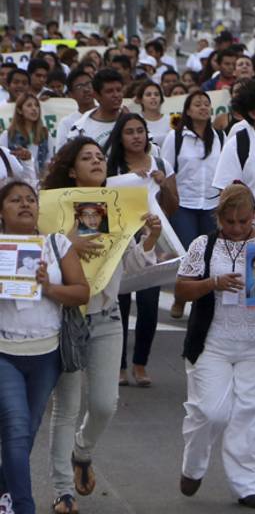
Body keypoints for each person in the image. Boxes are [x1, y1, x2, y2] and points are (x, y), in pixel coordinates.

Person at [42, 138, 162, 514]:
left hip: (108, 317)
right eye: (87, 158)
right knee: (66, 406)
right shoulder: (51, 210)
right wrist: (66, 244)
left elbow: (138, 267)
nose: (96, 161)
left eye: (100, 157)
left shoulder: (118, 207)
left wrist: (151, 238)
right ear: (72, 170)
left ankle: (83, 451)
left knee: (104, 404)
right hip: (66, 318)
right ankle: (62, 489)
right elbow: (33, 258)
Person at [175, 184, 255, 509]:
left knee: (249, 410)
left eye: (243, 221)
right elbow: (181, 290)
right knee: (210, 411)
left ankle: (247, 484)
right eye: (229, 222)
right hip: (213, 342)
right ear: (218, 218)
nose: (236, 228)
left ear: (253, 216)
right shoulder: (203, 245)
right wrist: (212, 284)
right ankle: (193, 464)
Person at [0, 180, 90, 514]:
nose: (25, 204)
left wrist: (48, 287)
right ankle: (25, 511)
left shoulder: (57, 245)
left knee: (24, 431)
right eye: (15, 200)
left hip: (46, 353)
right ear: (1, 210)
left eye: (30, 199)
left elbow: (82, 291)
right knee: (17, 427)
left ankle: (6, 489)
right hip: (4, 351)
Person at [105, 113, 172, 387]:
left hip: (151, 241)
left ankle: (140, 363)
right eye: (130, 131)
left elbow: (172, 207)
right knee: (119, 305)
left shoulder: (161, 163)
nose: (136, 136)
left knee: (148, 306)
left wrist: (163, 183)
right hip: (120, 243)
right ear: (120, 137)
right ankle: (118, 365)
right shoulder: (111, 166)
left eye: (140, 131)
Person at [162, 91, 226, 319]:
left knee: (210, 258)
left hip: (211, 205)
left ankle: (204, 308)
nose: (203, 107)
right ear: (188, 111)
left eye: (206, 104)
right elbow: (167, 171)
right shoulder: (176, 137)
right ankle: (180, 298)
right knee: (190, 256)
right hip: (184, 205)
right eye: (197, 104)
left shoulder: (220, 137)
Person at [65, 68, 126, 149]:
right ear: (96, 95)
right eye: (109, 91)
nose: (116, 95)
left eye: (119, 90)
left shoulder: (131, 121)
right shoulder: (80, 129)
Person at [0, 93, 51, 181]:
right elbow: (4, 162)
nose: (34, 109)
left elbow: (48, 160)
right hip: (16, 183)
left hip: (40, 182)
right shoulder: (8, 134)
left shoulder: (45, 133)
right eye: (29, 105)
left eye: (36, 105)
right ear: (19, 110)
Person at [54, 70, 97, 152]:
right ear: (71, 94)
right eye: (79, 87)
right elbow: (60, 154)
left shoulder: (107, 113)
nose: (86, 89)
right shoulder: (66, 123)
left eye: (88, 84)